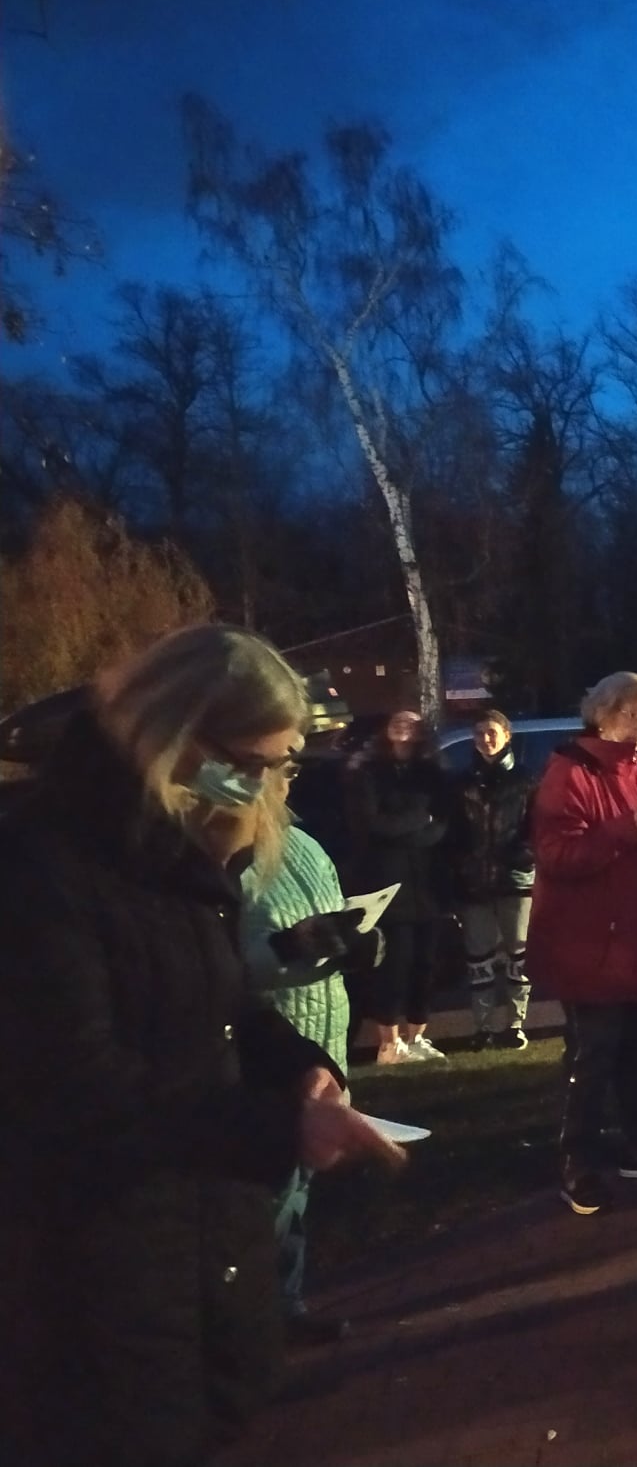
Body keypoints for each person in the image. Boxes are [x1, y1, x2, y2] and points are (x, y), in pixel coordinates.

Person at [0, 624, 403, 1467]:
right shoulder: (44, 868)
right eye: (254, 762)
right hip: (94, 1272)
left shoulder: (179, 850)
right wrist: (277, 1132)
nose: (264, 786)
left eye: (281, 763)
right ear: (175, 734)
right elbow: (73, 1087)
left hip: (197, 1254)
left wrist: (301, 1068)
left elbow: (220, 1004)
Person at [529, 672, 637, 1216]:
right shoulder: (571, 772)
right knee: (592, 1056)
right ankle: (576, 1163)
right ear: (602, 713)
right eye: (634, 712)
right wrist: (629, 829)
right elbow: (558, 855)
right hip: (591, 940)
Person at [239, 770, 384, 1347]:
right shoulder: (224, 856)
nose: (290, 770)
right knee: (263, 1192)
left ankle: (286, 1306)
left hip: (324, 1035)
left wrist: (362, 942)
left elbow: (338, 917)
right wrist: (286, 948)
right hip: (270, 1037)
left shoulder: (303, 843)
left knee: (299, 1188)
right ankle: (247, 1323)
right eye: (276, 758)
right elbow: (219, 964)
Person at [344, 709, 449, 1064]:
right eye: (397, 721)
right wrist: (420, 822)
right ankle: (389, 1043)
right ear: (385, 729)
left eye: (412, 722)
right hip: (387, 882)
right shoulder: (368, 772)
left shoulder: (431, 773)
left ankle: (417, 1037)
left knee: (425, 963)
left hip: (428, 882)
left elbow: (445, 823)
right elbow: (373, 825)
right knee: (393, 965)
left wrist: (417, 830)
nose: (404, 727)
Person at [443, 709, 538, 1051]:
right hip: (475, 882)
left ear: (507, 735)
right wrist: (460, 865)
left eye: (493, 732)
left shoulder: (526, 779)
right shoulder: (462, 782)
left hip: (515, 878)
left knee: (518, 953)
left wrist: (524, 854)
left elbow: (536, 827)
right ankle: (481, 1026)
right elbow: (453, 832)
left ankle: (515, 1024)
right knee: (478, 957)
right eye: (480, 733)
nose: (486, 738)